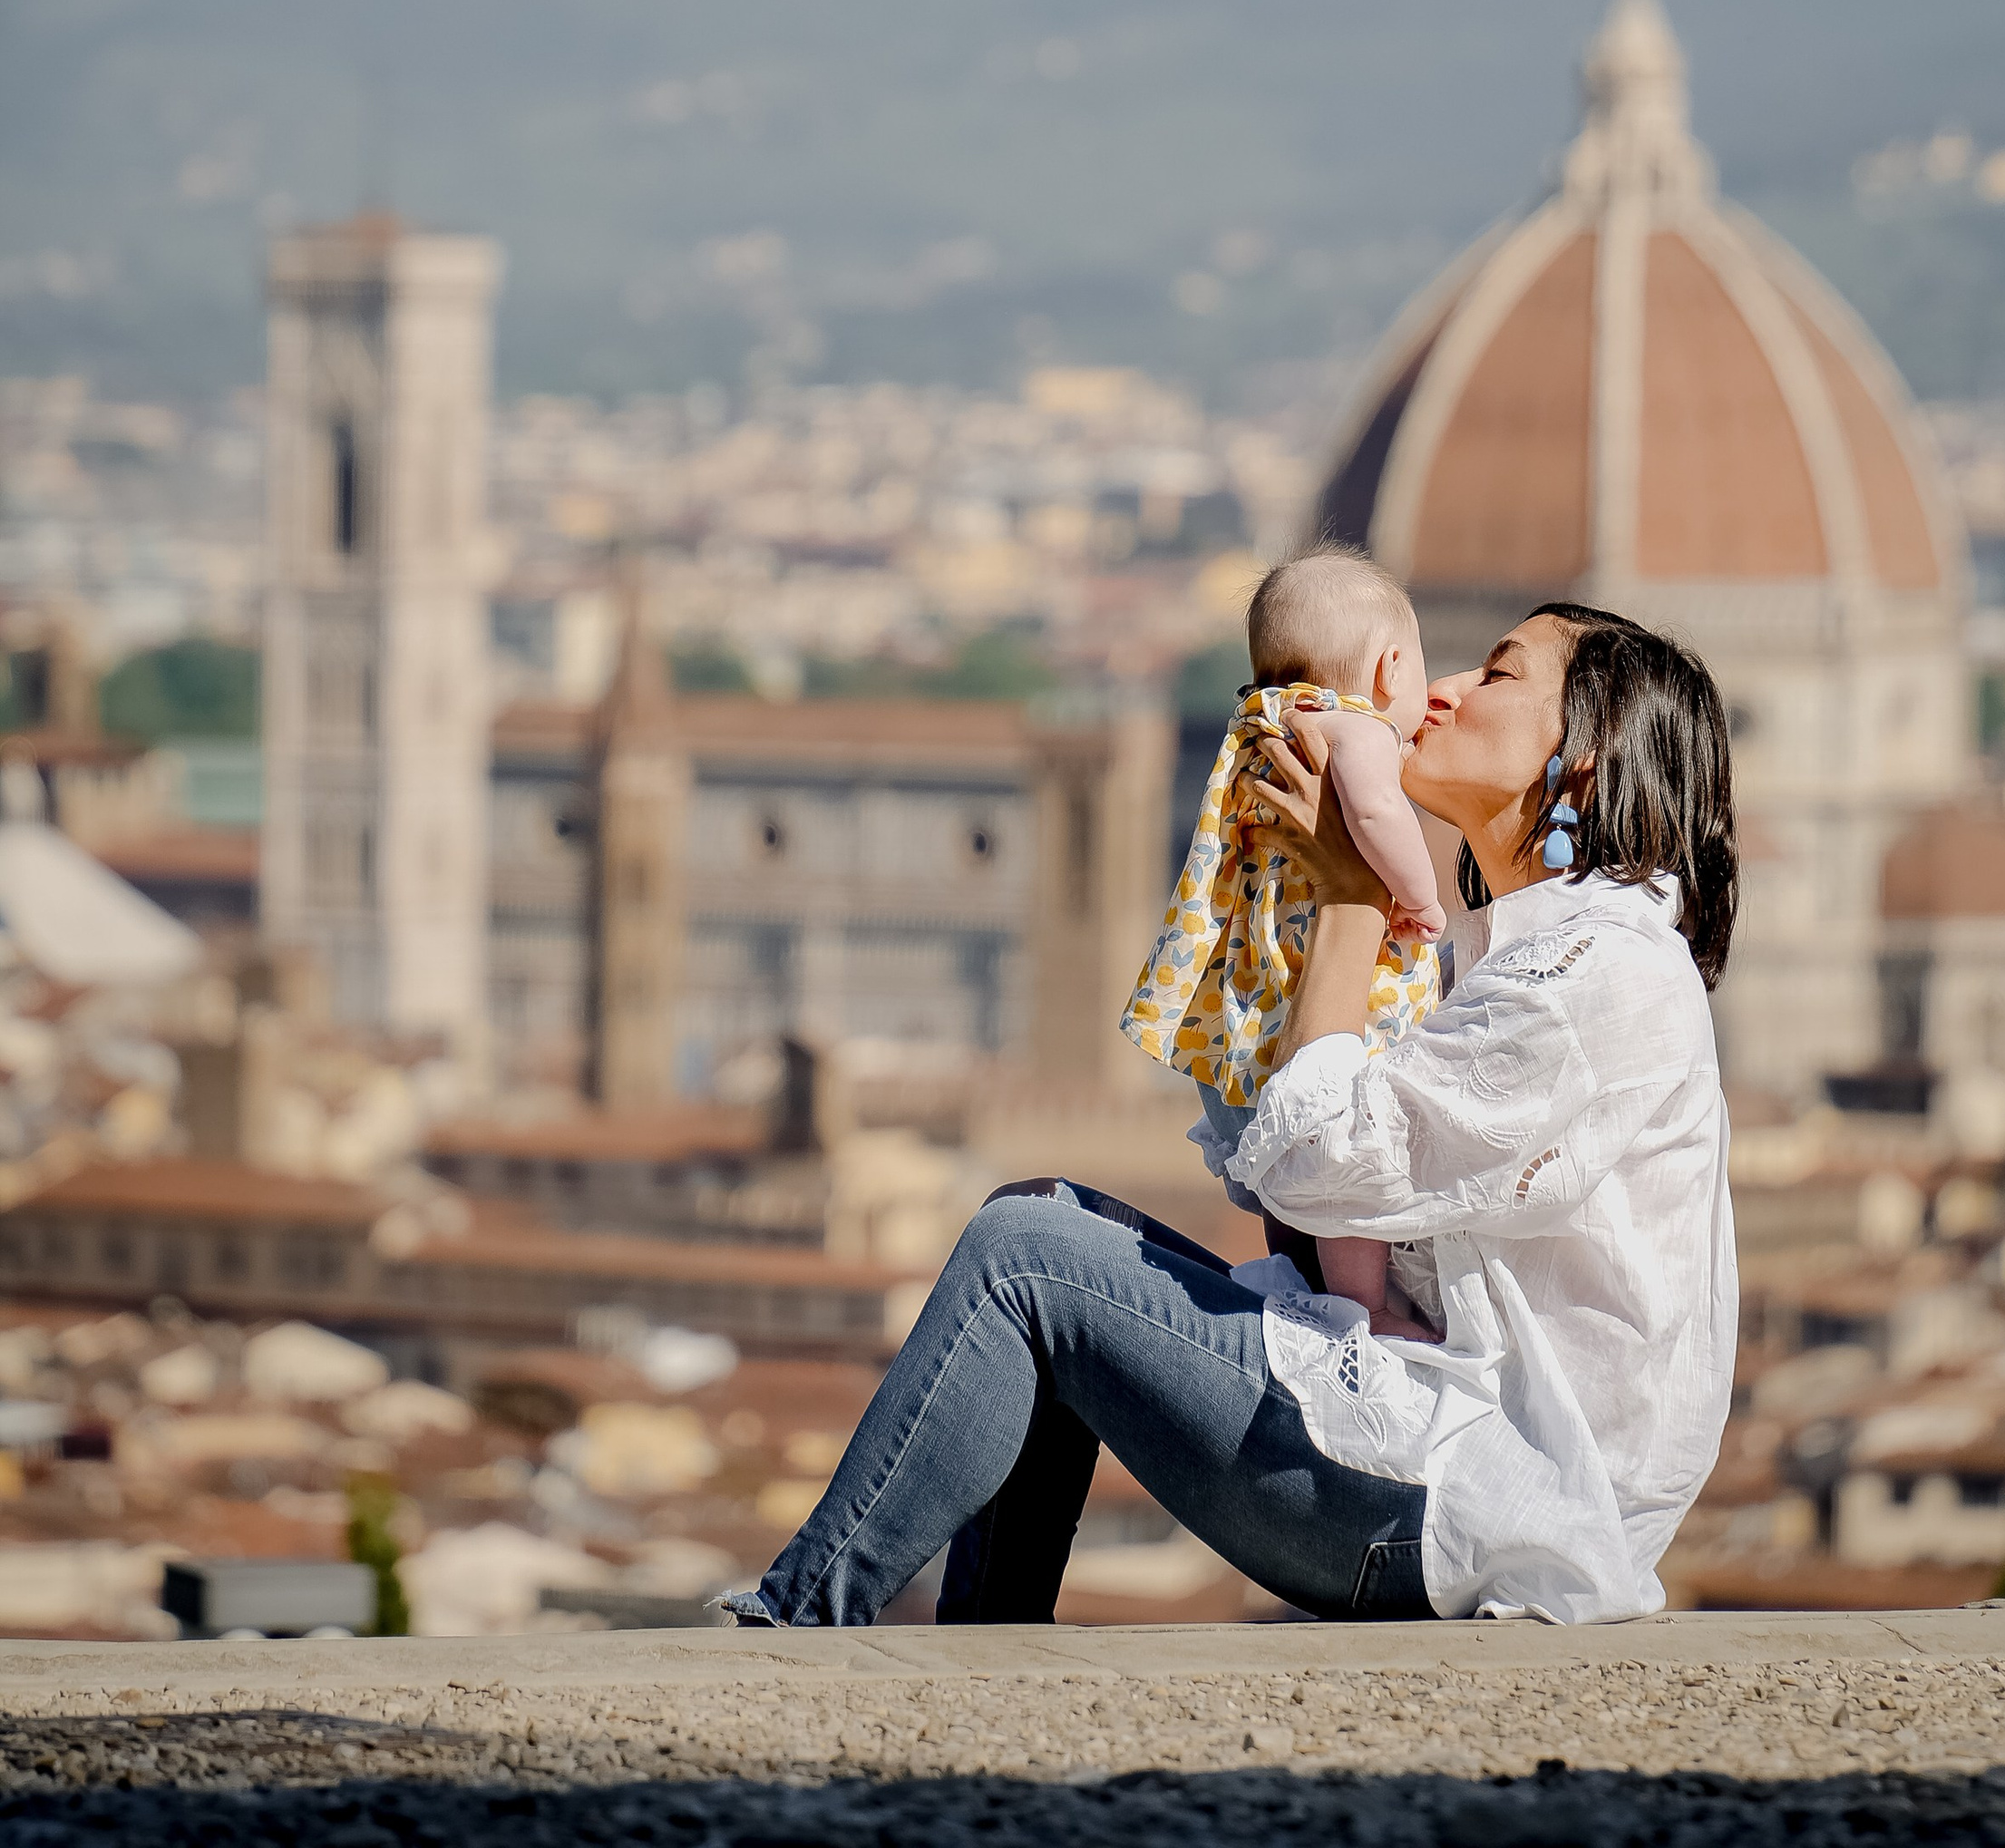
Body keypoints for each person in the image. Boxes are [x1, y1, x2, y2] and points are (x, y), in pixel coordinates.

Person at [716, 599, 1737, 1629]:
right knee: (1044, 1213)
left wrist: (1346, 893)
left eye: (1498, 675)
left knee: (1024, 1259)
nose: (1443, 691)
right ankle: (981, 1646)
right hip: (1441, 1464)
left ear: (1591, 752)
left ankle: (794, 1626)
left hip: (1479, 1504)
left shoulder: (1592, 970)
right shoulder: (1503, 960)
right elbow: (1297, 1196)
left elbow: (1313, 1163)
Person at [1119, 542, 1445, 1335]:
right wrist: (1420, 896)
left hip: (1258, 999)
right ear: (1388, 669)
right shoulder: (1355, 732)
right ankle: (1362, 1309)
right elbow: (1372, 817)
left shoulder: (1257, 730)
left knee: (1277, 1166)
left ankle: (1293, 1280)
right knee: (1345, 1164)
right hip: (1341, 999)